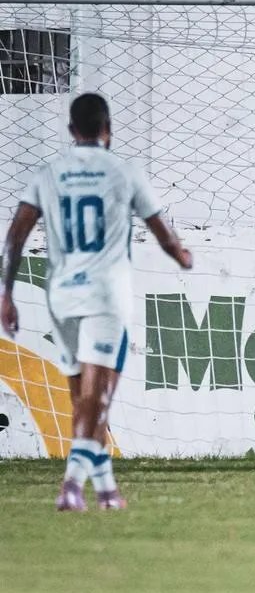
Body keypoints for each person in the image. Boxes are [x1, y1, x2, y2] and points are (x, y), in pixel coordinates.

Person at [1, 93, 193, 511]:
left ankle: (106, 492)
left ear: (72, 130)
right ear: (108, 130)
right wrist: (181, 256)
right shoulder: (124, 171)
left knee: (81, 399)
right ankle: (72, 485)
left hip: (61, 296)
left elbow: (15, 235)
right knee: (98, 398)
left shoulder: (49, 173)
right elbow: (161, 231)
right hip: (106, 296)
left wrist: (6, 294)